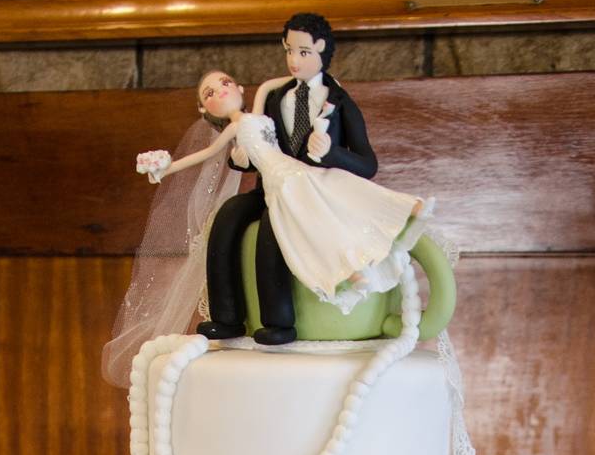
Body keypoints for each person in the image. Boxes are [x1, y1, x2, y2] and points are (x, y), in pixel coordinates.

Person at [140, 66, 428, 320]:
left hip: (292, 168)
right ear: (206, 110)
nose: (221, 91)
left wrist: (318, 72)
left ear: (240, 88)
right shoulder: (234, 130)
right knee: (303, 225)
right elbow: (207, 153)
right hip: (276, 181)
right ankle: (345, 273)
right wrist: (166, 168)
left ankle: (402, 211)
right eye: (210, 93)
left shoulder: (261, 105)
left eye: (225, 82)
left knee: (337, 187)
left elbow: (277, 81)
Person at [194, 13, 379, 344]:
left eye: (303, 52)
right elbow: (259, 146)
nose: (294, 60)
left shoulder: (339, 102)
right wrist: (241, 161)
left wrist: (331, 153)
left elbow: (367, 164)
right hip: (270, 186)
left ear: (321, 49)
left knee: (272, 228)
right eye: (289, 51)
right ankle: (226, 317)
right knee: (227, 217)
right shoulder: (276, 95)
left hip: (315, 191)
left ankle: (279, 321)